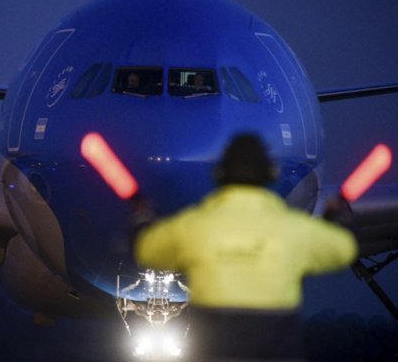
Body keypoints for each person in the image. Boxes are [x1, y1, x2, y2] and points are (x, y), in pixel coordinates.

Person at [133, 133, 358, 361]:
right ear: (271, 174)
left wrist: (143, 219)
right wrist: (337, 219)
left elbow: (146, 249)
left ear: (218, 174)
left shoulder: (194, 227)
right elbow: (344, 250)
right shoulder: (294, 230)